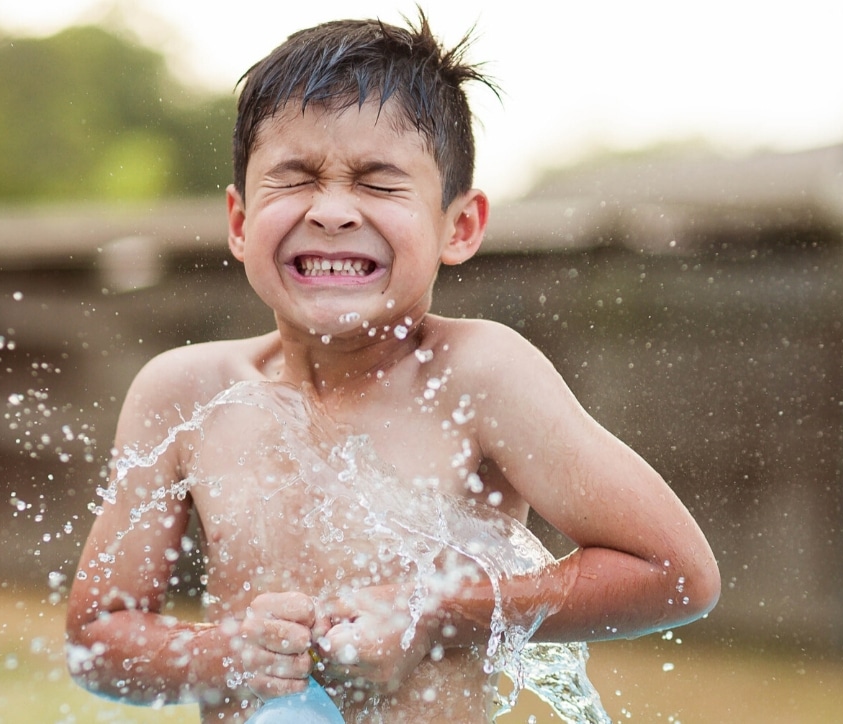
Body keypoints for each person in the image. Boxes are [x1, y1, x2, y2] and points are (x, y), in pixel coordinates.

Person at [65, 11, 720, 723]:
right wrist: (225, 654)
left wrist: (436, 614)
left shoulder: (479, 378)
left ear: (459, 227)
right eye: (295, 179)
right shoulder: (185, 393)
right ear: (240, 221)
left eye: (379, 183)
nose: (334, 211)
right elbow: (97, 641)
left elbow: (676, 575)